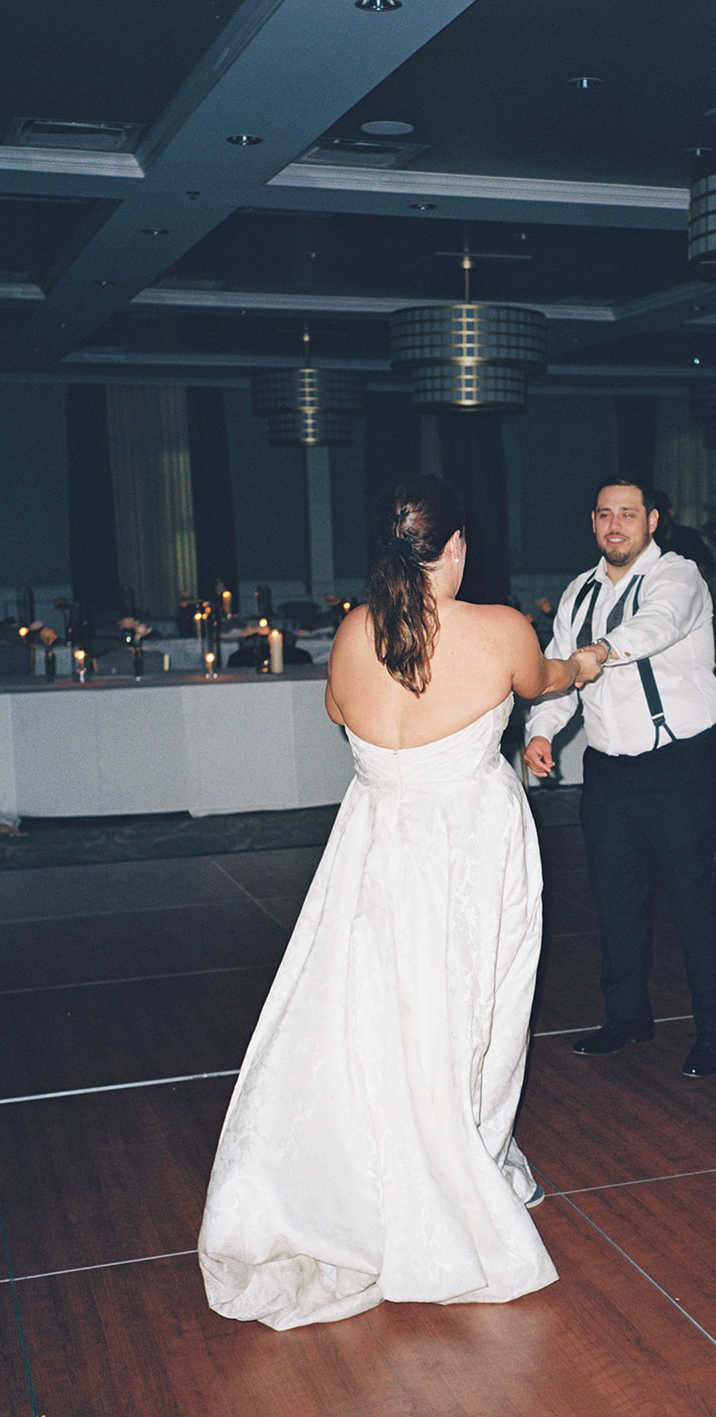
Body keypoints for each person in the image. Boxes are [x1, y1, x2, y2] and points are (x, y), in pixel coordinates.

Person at [199, 476, 601, 1329]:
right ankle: (469, 1161)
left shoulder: (351, 631)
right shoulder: (499, 628)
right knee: (476, 1007)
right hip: (469, 849)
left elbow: (338, 709)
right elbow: (545, 677)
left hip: (376, 850)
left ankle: (373, 1176)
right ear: (455, 547)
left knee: (375, 1011)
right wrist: (588, 663)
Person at [523, 475, 716, 1080]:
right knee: (615, 901)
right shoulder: (577, 592)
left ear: (653, 521)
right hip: (609, 774)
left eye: (628, 513)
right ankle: (626, 1018)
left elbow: (654, 628)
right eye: (604, 514)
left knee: (696, 904)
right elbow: (561, 673)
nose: (615, 524)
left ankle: (715, 1031)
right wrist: (542, 729)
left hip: (680, 768)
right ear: (592, 523)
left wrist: (598, 653)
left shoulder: (679, 577)